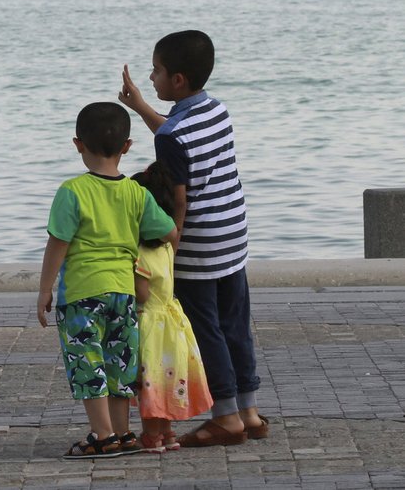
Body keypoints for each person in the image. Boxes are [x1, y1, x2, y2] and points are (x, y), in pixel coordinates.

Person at [119, 30, 268, 447]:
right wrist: (141, 107)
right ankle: (249, 411)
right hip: (232, 237)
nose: (151, 77)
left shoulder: (172, 137)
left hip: (199, 247)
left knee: (207, 329)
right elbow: (176, 134)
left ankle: (225, 419)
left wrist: (169, 249)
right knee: (236, 324)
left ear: (177, 80)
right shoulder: (215, 110)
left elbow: (179, 202)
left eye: (157, 71)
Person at [37, 102, 177, 459]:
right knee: (119, 362)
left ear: (77, 143)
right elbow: (168, 232)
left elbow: (58, 244)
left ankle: (101, 435)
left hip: (82, 294)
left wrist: (44, 290)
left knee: (88, 363)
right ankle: (123, 433)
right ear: (127, 146)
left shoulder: (72, 191)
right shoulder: (136, 193)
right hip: (123, 293)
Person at [130, 161, 213, 453]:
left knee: (149, 381)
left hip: (149, 323)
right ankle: (167, 433)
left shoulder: (138, 254)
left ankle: (151, 436)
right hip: (173, 322)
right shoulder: (168, 245)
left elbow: (141, 294)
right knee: (166, 378)